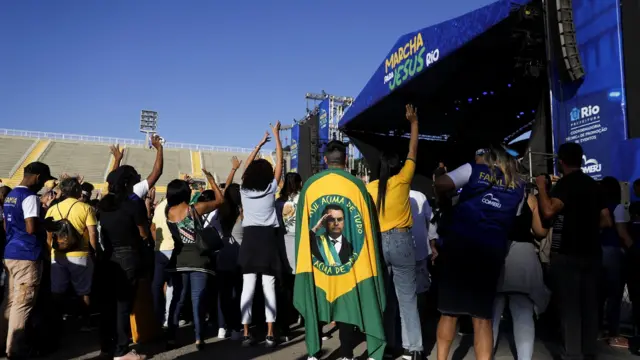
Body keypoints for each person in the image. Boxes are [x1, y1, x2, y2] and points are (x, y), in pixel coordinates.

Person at [295, 140, 386, 360]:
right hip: (353, 265)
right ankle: (346, 354)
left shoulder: (310, 185)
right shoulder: (357, 186)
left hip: (318, 267)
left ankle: (314, 353)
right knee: (347, 305)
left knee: (315, 299)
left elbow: (301, 230)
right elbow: (368, 228)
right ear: (345, 160)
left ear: (326, 160)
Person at [434, 147, 525, 360]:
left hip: (460, 247)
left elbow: (441, 184)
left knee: (449, 313)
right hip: (490, 252)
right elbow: (514, 216)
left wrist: (443, 193)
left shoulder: (473, 169)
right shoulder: (519, 185)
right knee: (483, 317)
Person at [535, 142, 612, 360]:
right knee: (590, 308)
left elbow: (549, 211)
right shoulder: (594, 186)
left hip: (568, 254)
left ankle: (573, 355)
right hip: (593, 254)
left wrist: (542, 187)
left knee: (570, 309)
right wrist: (588, 226)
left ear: (561, 161)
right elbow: (606, 221)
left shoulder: (566, 184)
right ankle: (589, 353)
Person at [366, 104, 423, 359]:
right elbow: (413, 149)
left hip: (379, 243)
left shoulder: (371, 188)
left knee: (385, 299)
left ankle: (388, 347)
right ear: (397, 165)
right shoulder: (403, 180)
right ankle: (413, 349)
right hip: (401, 241)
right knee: (407, 298)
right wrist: (413, 123)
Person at [0, 162, 56, 359]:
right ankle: (15, 349)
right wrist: (46, 224)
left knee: (10, 301)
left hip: (11, 252)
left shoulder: (11, 195)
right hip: (27, 254)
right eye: (43, 180)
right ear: (38, 177)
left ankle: (3, 342)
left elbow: (7, 226)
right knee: (23, 303)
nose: (42, 185)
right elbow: (31, 227)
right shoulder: (30, 196)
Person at [165, 168, 224, 350]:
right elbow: (220, 201)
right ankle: (199, 338)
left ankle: (171, 336)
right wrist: (211, 180)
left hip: (178, 259)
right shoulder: (195, 208)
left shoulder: (168, 212)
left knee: (178, 299)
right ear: (185, 192)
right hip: (199, 259)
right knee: (198, 299)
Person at [238, 121, 283, 347]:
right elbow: (280, 165)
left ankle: (246, 332)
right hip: (267, 239)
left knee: (248, 287)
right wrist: (276, 137)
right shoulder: (271, 188)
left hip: (249, 240)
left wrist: (258, 145)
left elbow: (245, 169)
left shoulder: (243, 189)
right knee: (269, 287)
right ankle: (270, 332)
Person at [97, 166, 150, 360]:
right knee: (123, 306)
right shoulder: (132, 204)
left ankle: (107, 346)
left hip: (109, 256)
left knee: (109, 304)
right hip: (128, 254)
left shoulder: (104, 204)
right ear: (128, 183)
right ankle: (121, 350)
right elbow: (143, 233)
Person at [492, 190, 550, 360]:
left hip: (496, 252)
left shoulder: (489, 192)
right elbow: (540, 232)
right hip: (523, 256)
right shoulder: (528, 197)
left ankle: (485, 355)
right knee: (523, 311)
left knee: (491, 314)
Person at [44, 177, 98, 331]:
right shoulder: (86, 208)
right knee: (84, 291)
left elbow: (49, 235)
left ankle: (56, 322)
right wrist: (93, 252)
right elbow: (92, 233)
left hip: (58, 254)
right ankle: (85, 322)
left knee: (57, 290)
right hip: (80, 253)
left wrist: (50, 252)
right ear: (77, 190)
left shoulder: (53, 208)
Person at [598, 176, 632, 348]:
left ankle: (596, 330)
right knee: (615, 295)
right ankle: (613, 334)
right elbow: (622, 233)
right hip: (613, 252)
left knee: (599, 294)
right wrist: (633, 249)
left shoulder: (598, 208)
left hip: (598, 251)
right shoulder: (618, 208)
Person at [275, 172, 303, 341]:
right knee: (302, 287)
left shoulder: (279, 202)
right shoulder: (302, 199)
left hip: (282, 246)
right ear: (299, 183)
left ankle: (285, 328)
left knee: (285, 289)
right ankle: (307, 321)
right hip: (299, 246)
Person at [216, 183, 244, 341]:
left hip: (222, 255)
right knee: (238, 294)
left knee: (224, 294)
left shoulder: (221, 212)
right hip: (238, 256)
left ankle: (223, 326)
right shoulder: (242, 214)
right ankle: (236, 328)